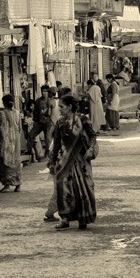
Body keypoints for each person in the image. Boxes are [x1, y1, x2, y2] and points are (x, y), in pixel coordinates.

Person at [47, 95, 97, 230]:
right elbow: (56, 143)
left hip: (80, 160)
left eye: (62, 107)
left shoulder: (83, 120)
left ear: (69, 107)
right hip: (63, 162)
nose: (60, 110)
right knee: (62, 189)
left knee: (81, 189)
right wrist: (52, 162)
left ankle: (83, 218)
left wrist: (90, 149)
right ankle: (65, 219)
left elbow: (92, 136)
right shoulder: (60, 122)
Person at [0, 94, 22, 192]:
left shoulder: (2, 114)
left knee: (5, 161)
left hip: (6, 141)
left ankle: (7, 185)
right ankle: (18, 185)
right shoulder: (18, 113)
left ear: (4, 103)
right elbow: (20, 128)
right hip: (16, 140)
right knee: (16, 161)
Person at [27, 85, 53, 161]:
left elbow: (50, 113)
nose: (43, 93)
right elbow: (35, 113)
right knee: (31, 135)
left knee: (47, 138)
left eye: (45, 91)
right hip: (39, 122)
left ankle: (47, 154)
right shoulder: (38, 101)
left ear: (48, 92)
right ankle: (30, 153)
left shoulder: (50, 101)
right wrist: (36, 120)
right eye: (42, 91)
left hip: (48, 122)